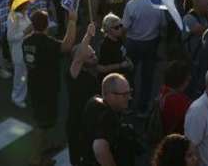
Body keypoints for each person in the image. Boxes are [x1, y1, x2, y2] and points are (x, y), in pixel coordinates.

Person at [22, 9, 80, 166]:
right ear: (47, 25)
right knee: (42, 124)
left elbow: (27, 32)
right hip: (46, 89)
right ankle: (35, 159)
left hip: (34, 87)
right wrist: (72, 21)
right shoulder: (47, 43)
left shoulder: (26, 41)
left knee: (44, 121)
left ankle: (46, 146)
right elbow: (67, 45)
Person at [121, 0, 165, 114]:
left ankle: (127, 104)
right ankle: (143, 107)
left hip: (133, 42)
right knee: (147, 76)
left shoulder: (131, 5)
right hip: (150, 43)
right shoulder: (158, 4)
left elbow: (125, 27)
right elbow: (163, 25)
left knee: (129, 73)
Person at [82, 73, 133, 166]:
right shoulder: (107, 117)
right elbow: (99, 148)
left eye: (129, 92)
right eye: (125, 94)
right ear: (110, 95)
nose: (129, 97)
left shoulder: (93, 102)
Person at [65, 33, 100, 166]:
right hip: (77, 125)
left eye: (94, 53)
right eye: (90, 56)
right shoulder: (73, 76)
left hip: (91, 123)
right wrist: (88, 35)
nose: (95, 57)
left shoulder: (91, 73)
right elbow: (79, 56)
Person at [7, 1, 32, 108]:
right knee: (20, 76)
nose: (29, 3)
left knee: (25, 75)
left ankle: (22, 95)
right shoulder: (13, 17)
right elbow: (10, 37)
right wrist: (25, 32)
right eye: (27, 2)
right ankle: (17, 98)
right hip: (18, 51)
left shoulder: (25, 14)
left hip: (26, 50)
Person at [158, 60, 193, 137]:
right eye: (187, 79)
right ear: (181, 81)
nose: (190, 79)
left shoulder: (164, 90)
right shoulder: (180, 101)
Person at [96, 13, 132, 81]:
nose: (120, 29)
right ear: (108, 29)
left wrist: (127, 60)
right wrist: (120, 65)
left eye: (121, 25)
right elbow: (101, 68)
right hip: (111, 80)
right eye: (116, 27)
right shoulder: (105, 46)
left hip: (121, 76)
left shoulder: (118, 38)